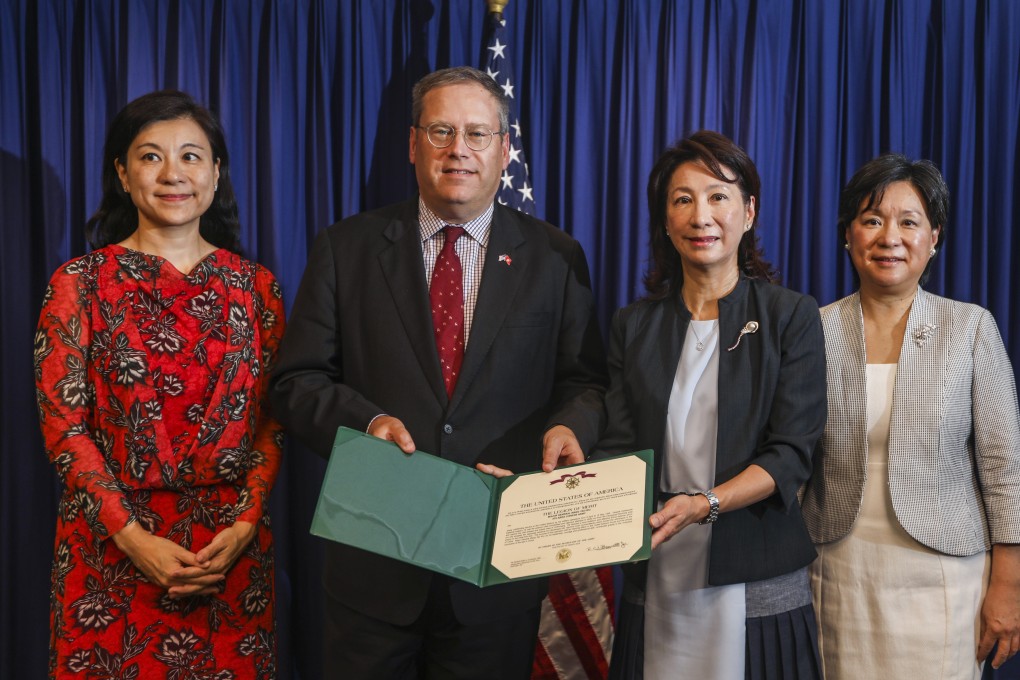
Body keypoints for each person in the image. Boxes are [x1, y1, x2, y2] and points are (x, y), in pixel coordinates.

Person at [269, 66, 606, 678]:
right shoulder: (346, 249)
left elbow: (584, 381)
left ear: (505, 150)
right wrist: (365, 421)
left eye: (478, 134)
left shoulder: (556, 257)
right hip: (375, 567)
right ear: (412, 144)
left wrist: (570, 426)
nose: (459, 150)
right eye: (442, 131)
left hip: (495, 566)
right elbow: (297, 383)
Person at [34, 90, 284, 678]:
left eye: (191, 156)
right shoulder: (78, 284)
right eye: (150, 157)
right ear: (123, 174)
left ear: (217, 173)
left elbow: (274, 419)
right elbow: (62, 427)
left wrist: (247, 520)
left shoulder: (257, 288)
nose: (173, 174)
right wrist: (133, 538)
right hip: (112, 553)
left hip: (228, 554)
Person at [597, 130, 826, 679]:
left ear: (748, 212)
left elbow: (791, 454)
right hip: (657, 571)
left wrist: (707, 504)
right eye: (683, 200)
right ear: (666, 221)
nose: (702, 215)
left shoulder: (789, 316)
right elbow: (617, 450)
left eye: (719, 196)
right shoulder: (634, 326)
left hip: (756, 574)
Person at [801, 154, 1020, 678]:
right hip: (838, 571)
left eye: (908, 222)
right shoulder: (812, 330)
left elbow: (1003, 466)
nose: (889, 237)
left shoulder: (969, 328)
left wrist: (1009, 585)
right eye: (872, 220)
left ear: (934, 237)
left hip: (944, 575)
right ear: (848, 235)